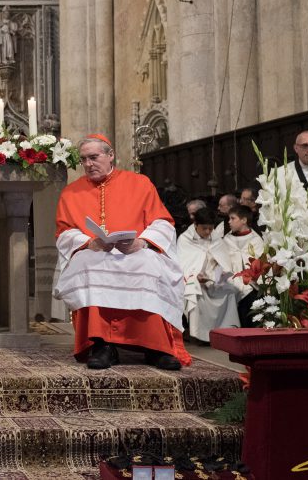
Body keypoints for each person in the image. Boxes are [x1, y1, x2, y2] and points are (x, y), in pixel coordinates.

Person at [53, 134, 190, 370]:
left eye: (94, 157)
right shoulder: (70, 193)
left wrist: (143, 242)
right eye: (84, 159)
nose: (88, 164)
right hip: (95, 251)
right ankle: (102, 345)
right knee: (89, 264)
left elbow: (163, 223)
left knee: (148, 263)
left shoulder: (140, 183)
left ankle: (155, 347)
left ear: (111, 155)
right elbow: (65, 233)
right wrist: (89, 242)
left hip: (134, 251)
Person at [191, 205, 265, 340]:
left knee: (251, 296)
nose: (229, 221)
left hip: (252, 282)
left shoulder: (256, 240)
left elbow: (261, 266)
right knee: (230, 291)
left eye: (232, 218)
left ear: (244, 220)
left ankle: (252, 336)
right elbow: (217, 263)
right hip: (230, 279)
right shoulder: (226, 240)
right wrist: (210, 277)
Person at [176, 207, 220, 340]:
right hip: (192, 278)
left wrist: (211, 276)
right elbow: (183, 265)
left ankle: (221, 333)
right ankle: (198, 334)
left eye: (210, 229)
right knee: (193, 289)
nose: (208, 232)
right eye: (204, 228)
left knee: (229, 290)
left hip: (212, 277)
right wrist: (197, 276)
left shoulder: (216, 237)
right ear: (195, 225)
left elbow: (222, 261)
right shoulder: (185, 239)